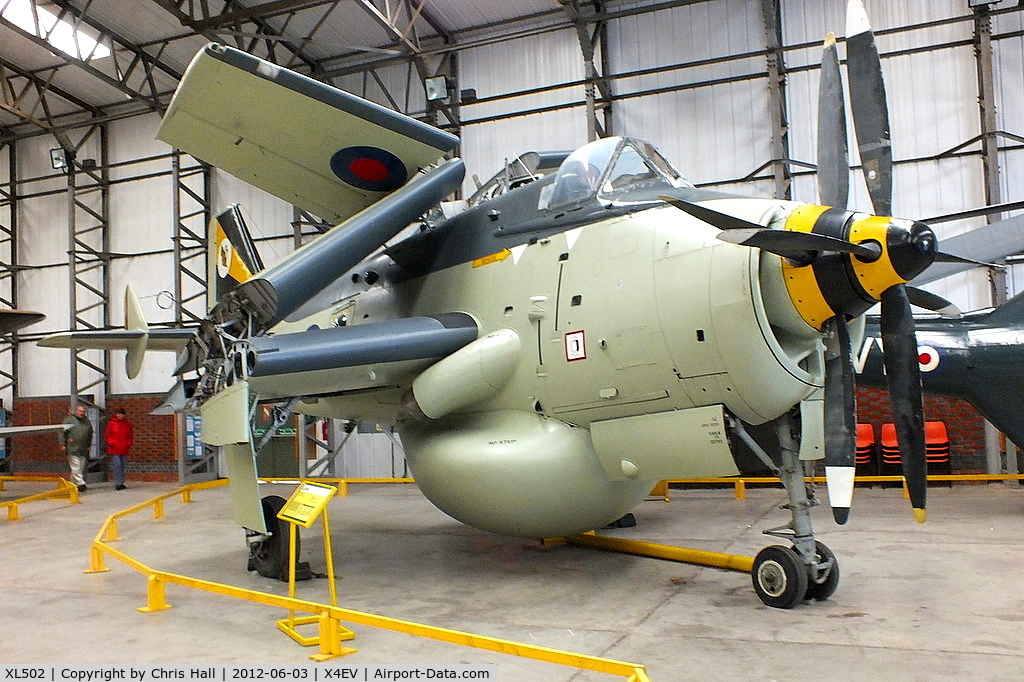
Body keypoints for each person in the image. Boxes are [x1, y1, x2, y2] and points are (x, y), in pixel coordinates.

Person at [60, 403, 94, 492]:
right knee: (75, 466)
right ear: (76, 411)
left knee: (79, 468)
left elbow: (90, 434)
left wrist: (89, 445)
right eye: (80, 411)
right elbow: (62, 432)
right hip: (72, 447)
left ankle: (73, 485)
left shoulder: (87, 422)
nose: (82, 413)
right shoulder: (69, 420)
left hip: (83, 448)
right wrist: (62, 444)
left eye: (83, 411)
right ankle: (81, 484)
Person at [104, 407, 134, 490]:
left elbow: (130, 435)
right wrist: (112, 443)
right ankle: (118, 483)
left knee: (123, 465)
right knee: (117, 465)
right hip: (115, 448)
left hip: (124, 448)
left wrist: (128, 443)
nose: (120, 416)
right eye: (119, 414)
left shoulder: (127, 424)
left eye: (122, 414)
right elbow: (107, 436)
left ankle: (121, 482)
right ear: (117, 414)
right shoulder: (112, 423)